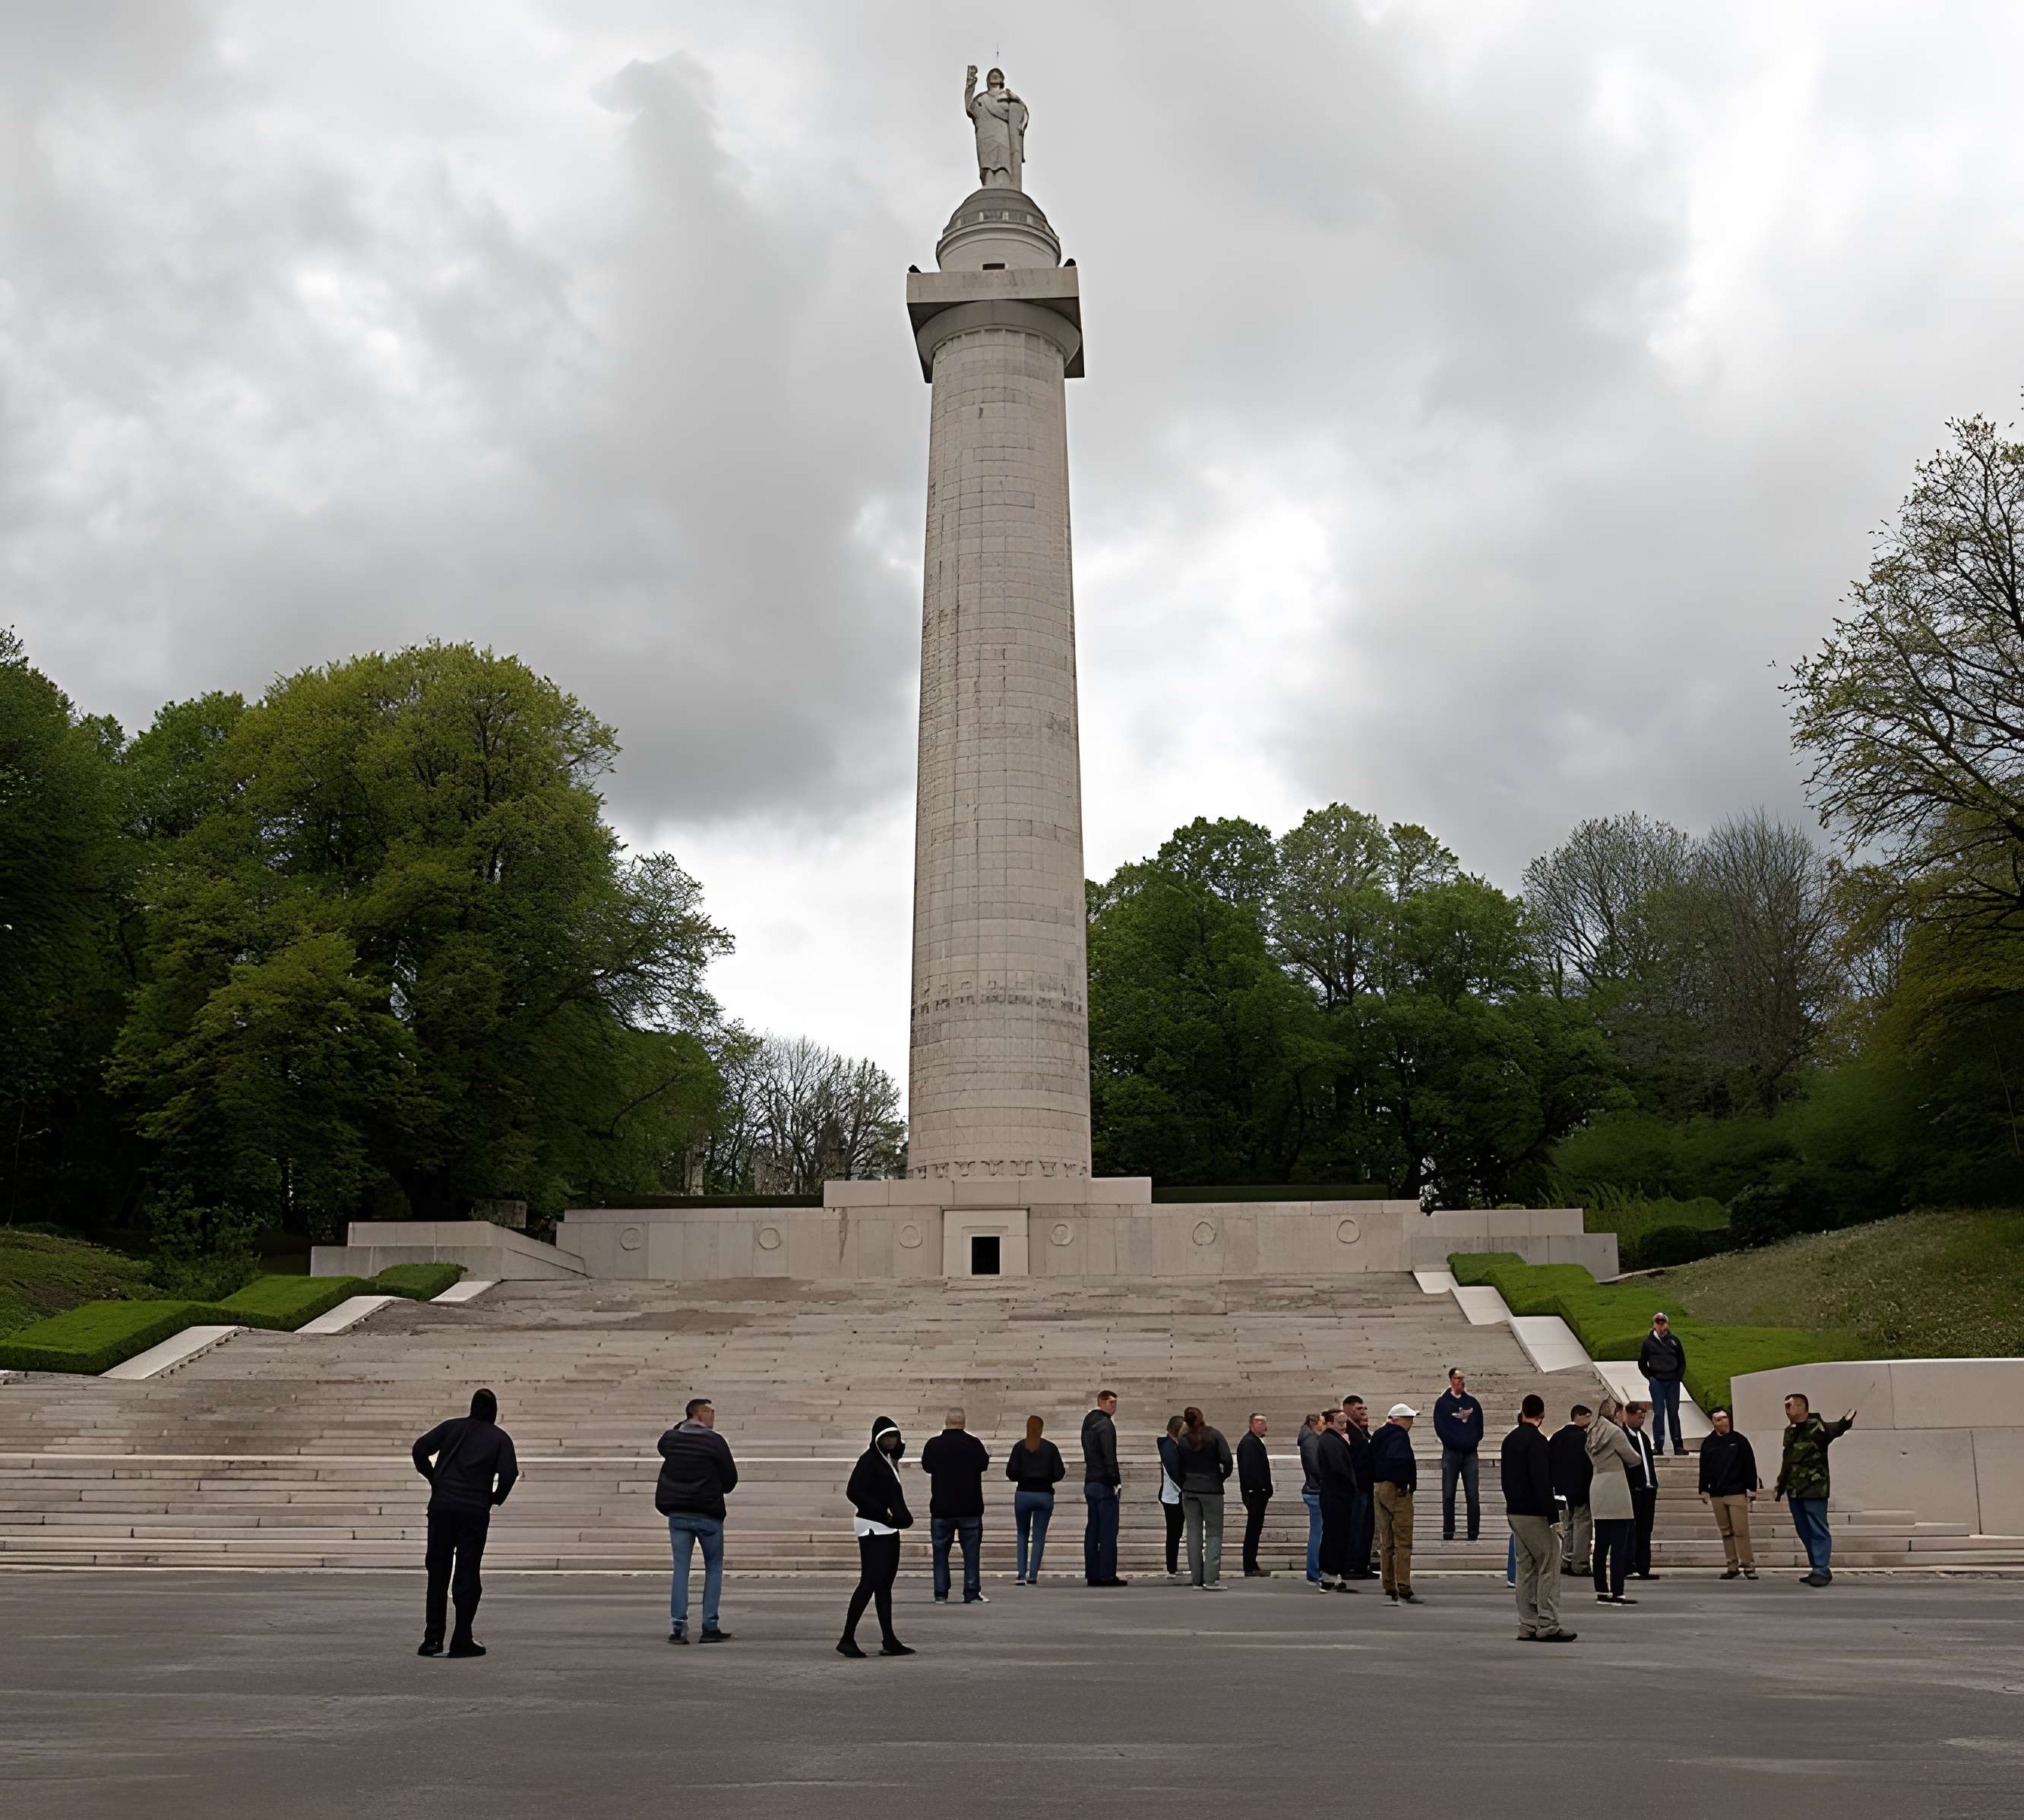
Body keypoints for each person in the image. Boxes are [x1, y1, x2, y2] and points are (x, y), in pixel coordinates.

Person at [412, 1388, 518, 1658]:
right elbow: (509, 1474)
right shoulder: (499, 1438)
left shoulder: (451, 1428)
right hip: (473, 1511)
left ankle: (432, 1639)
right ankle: (462, 1638)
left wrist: (434, 1477)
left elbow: (419, 1449)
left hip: (442, 1507)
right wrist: (495, 1498)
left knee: (438, 1572)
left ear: (472, 1408)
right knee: (468, 1572)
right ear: (493, 1413)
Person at [655, 1395, 738, 1645]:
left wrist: (684, 1424)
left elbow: (664, 1446)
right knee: (713, 1569)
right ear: (699, 1414)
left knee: (681, 1569)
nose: (713, 1416)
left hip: (678, 1513)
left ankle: (678, 1627)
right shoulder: (715, 1442)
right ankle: (709, 1625)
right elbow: (730, 1480)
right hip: (708, 1513)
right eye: (710, 1412)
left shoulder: (671, 1439)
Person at [1501, 1393, 1576, 1643]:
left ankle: (1527, 1624)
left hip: (1515, 1511)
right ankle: (1548, 1623)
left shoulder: (1510, 1440)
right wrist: (1554, 1517)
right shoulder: (1538, 1441)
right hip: (1534, 1512)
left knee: (1525, 1569)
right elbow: (1542, 1481)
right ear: (1542, 1415)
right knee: (1549, 1563)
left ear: (1523, 1412)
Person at [839, 1417, 916, 1657]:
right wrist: (883, 1514)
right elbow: (853, 1492)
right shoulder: (869, 1461)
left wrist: (894, 1519)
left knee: (884, 1585)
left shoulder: (887, 1459)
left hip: (887, 1528)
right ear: (877, 1439)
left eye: (894, 1437)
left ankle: (889, 1639)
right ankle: (847, 1638)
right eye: (886, 1437)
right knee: (870, 1582)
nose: (891, 1441)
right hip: (873, 1527)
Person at [1774, 1393, 1857, 1587]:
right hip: (1795, 1489)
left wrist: (1846, 1421)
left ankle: (1821, 1568)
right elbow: (1788, 1460)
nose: (1787, 1410)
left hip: (1814, 1488)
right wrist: (1781, 1484)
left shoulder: (1817, 1427)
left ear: (1802, 1408)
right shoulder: (1790, 1431)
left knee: (1818, 1528)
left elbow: (1836, 1429)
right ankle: (1816, 1567)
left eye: (1790, 1406)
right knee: (1803, 1529)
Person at [921, 1407, 991, 1605]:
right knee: (971, 1553)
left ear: (946, 1421)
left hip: (942, 1508)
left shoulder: (934, 1444)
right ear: (964, 1423)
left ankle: (941, 1593)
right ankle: (971, 1591)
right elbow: (984, 1465)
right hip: (970, 1507)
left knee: (940, 1552)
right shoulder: (974, 1444)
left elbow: (927, 1466)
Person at [1585, 1394, 1643, 1605]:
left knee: (1601, 1544)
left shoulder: (1592, 1432)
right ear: (1616, 1413)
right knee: (1619, 1543)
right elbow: (1632, 1458)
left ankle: (1601, 1589)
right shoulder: (1615, 1432)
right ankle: (1618, 1591)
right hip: (1616, 1487)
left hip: (1598, 1484)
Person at [1174, 1406, 1234, 1589]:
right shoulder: (1214, 1435)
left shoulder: (1182, 1440)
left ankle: (1196, 1579)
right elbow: (1227, 1461)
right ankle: (1210, 1578)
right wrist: (1219, 1478)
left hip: (1189, 1489)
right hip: (1212, 1489)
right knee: (1214, 1533)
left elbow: (1177, 1466)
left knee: (1193, 1533)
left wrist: (1185, 1482)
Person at [1697, 1407, 1760, 1581]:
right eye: (1719, 1419)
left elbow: (1749, 1464)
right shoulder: (1709, 1443)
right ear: (1713, 1422)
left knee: (1741, 1530)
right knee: (1725, 1531)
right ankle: (1732, 1565)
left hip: (1736, 1491)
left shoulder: (1739, 1440)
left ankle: (1748, 1564)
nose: (1723, 1422)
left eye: (1725, 1418)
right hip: (1717, 1492)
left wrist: (1751, 1488)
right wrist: (1703, 1489)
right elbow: (1704, 1468)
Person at [1004, 1414, 1065, 1585]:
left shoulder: (1019, 1447)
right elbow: (1059, 1472)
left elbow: (1011, 1473)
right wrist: (1046, 1479)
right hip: (1044, 1495)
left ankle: (1021, 1574)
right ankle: (1033, 1575)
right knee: (1039, 1536)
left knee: (1022, 1534)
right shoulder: (1050, 1448)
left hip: (1023, 1493)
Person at [1370, 1403, 1420, 1604]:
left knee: (1387, 1541)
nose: (1411, 1422)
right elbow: (1400, 1460)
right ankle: (1404, 1586)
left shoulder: (1379, 1434)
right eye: (1408, 1418)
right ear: (1397, 1419)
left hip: (1378, 1487)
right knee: (1403, 1540)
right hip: (1395, 1489)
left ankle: (1389, 1584)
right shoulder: (1399, 1435)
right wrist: (1402, 1485)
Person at [1433, 1367, 1485, 1542]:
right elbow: (1440, 1428)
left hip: (1470, 1454)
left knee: (1473, 1494)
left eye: (1462, 1379)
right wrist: (1454, 1443)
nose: (1460, 1382)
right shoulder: (1442, 1404)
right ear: (1450, 1380)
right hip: (1451, 1453)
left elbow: (1479, 1428)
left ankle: (1473, 1531)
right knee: (1448, 1493)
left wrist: (1471, 1442)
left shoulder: (1473, 1403)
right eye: (1457, 1379)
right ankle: (1448, 1530)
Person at [1081, 1389, 1127, 1586]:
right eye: (1110, 1402)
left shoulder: (1089, 1422)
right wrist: (1116, 1480)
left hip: (1091, 1480)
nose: (1113, 1406)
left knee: (1093, 1529)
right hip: (1103, 1482)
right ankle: (1107, 1574)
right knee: (1108, 1531)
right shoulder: (1106, 1425)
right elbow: (1110, 1456)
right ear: (1101, 1402)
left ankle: (1093, 1573)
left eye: (1115, 1402)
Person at [1315, 1408, 1361, 1593]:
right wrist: (1351, 1486)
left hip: (1337, 1493)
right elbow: (1339, 1468)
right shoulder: (1329, 1440)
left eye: (1346, 1422)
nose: (1344, 1426)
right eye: (1340, 1422)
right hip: (1336, 1494)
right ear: (1329, 1423)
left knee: (1337, 1535)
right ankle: (1330, 1574)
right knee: (1335, 1535)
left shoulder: (1333, 1439)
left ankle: (1333, 1575)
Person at [1549, 1404, 1594, 1575]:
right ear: (1578, 1417)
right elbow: (1588, 1465)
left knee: (1567, 1525)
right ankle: (1580, 1564)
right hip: (1581, 1490)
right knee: (1583, 1524)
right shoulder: (1584, 1438)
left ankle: (1566, 1561)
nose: (1589, 1423)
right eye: (1587, 1418)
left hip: (1562, 1489)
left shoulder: (1557, 1437)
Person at [1639, 1313, 1688, 1456]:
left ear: (1667, 1323)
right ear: (1654, 1324)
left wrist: (1677, 1377)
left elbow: (1682, 1362)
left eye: (1663, 1322)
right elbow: (1642, 1363)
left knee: (1673, 1413)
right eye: (1658, 1322)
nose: (1661, 1325)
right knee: (1659, 1413)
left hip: (1672, 1381)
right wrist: (1651, 1378)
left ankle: (1678, 1444)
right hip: (1657, 1381)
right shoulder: (1649, 1342)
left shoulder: (1674, 1341)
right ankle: (1658, 1444)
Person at [1622, 1401, 1660, 1579]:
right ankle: (1629, 1565)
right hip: (1633, 1489)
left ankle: (1644, 1566)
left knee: (1646, 1529)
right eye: (1638, 1416)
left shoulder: (1643, 1438)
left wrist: (1652, 1482)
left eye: (1643, 1417)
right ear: (1628, 1416)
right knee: (1632, 1529)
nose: (1641, 1420)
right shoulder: (1623, 1437)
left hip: (1648, 1489)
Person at [1237, 1413, 1274, 1576]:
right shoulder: (1249, 1443)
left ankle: (1252, 1564)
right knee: (1253, 1529)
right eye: (1262, 1423)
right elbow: (1251, 1470)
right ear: (1254, 1423)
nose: (1266, 1427)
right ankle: (1250, 1565)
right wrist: (1260, 1490)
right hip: (1256, 1493)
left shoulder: (1252, 1442)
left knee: (1254, 1529)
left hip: (1257, 1493)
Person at [1343, 1396, 1376, 1578]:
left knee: (1366, 1527)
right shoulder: (1347, 1430)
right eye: (1359, 1408)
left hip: (1366, 1485)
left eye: (1365, 1409)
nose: (1364, 1412)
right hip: (1357, 1487)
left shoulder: (1360, 1431)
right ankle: (1353, 1565)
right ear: (1347, 1408)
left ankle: (1362, 1565)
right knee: (1357, 1527)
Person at [1297, 1413, 1326, 1585]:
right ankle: (1314, 1571)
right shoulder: (1311, 1440)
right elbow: (1315, 1466)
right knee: (1317, 1533)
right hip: (1316, 1490)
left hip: (1313, 1488)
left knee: (1317, 1532)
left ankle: (1315, 1570)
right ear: (1316, 1424)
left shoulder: (1308, 1438)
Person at [1157, 1415, 1186, 1581]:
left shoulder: (1173, 1445)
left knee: (1175, 1533)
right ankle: (1172, 1567)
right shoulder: (1169, 1447)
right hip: (1172, 1496)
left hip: (1174, 1495)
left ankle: (1172, 1567)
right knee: (1174, 1533)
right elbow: (1175, 1473)